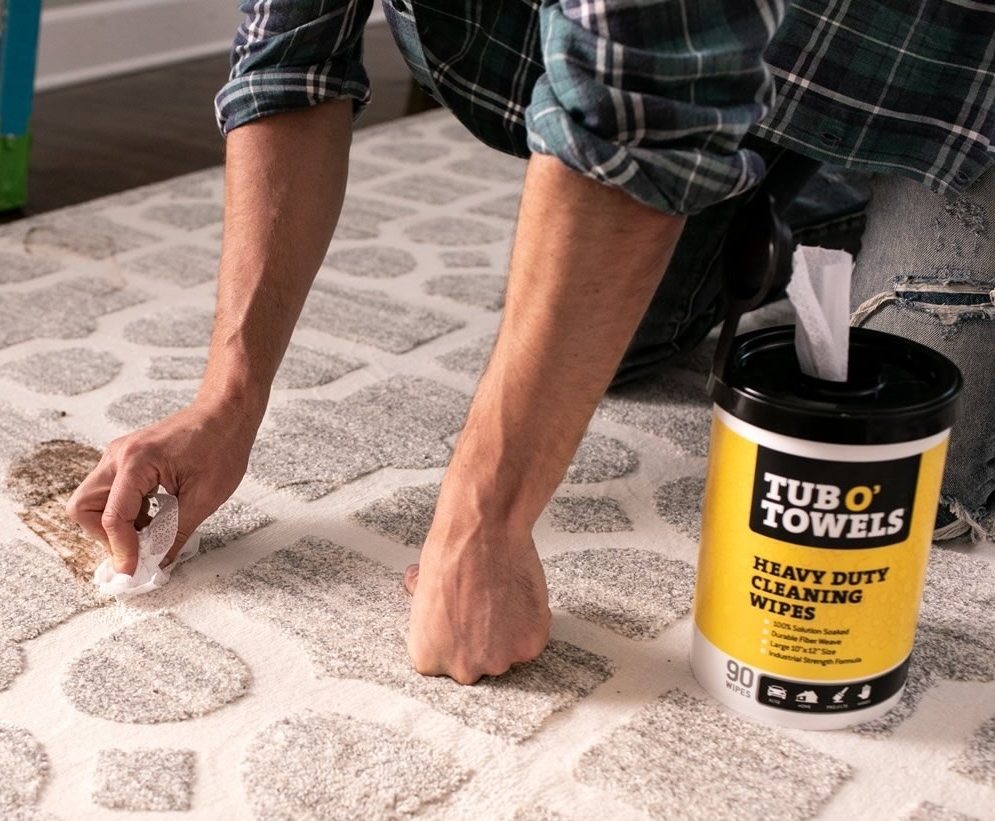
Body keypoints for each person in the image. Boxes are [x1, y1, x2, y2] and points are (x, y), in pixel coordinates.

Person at [67, 0, 994, 685]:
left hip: (939, 79)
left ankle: (827, 178)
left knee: (903, 480)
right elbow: (287, 66)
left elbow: (642, 98)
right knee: (608, 343)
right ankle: (766, 169)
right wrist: (226, 401)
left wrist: (485, 520)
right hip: (721, 74)